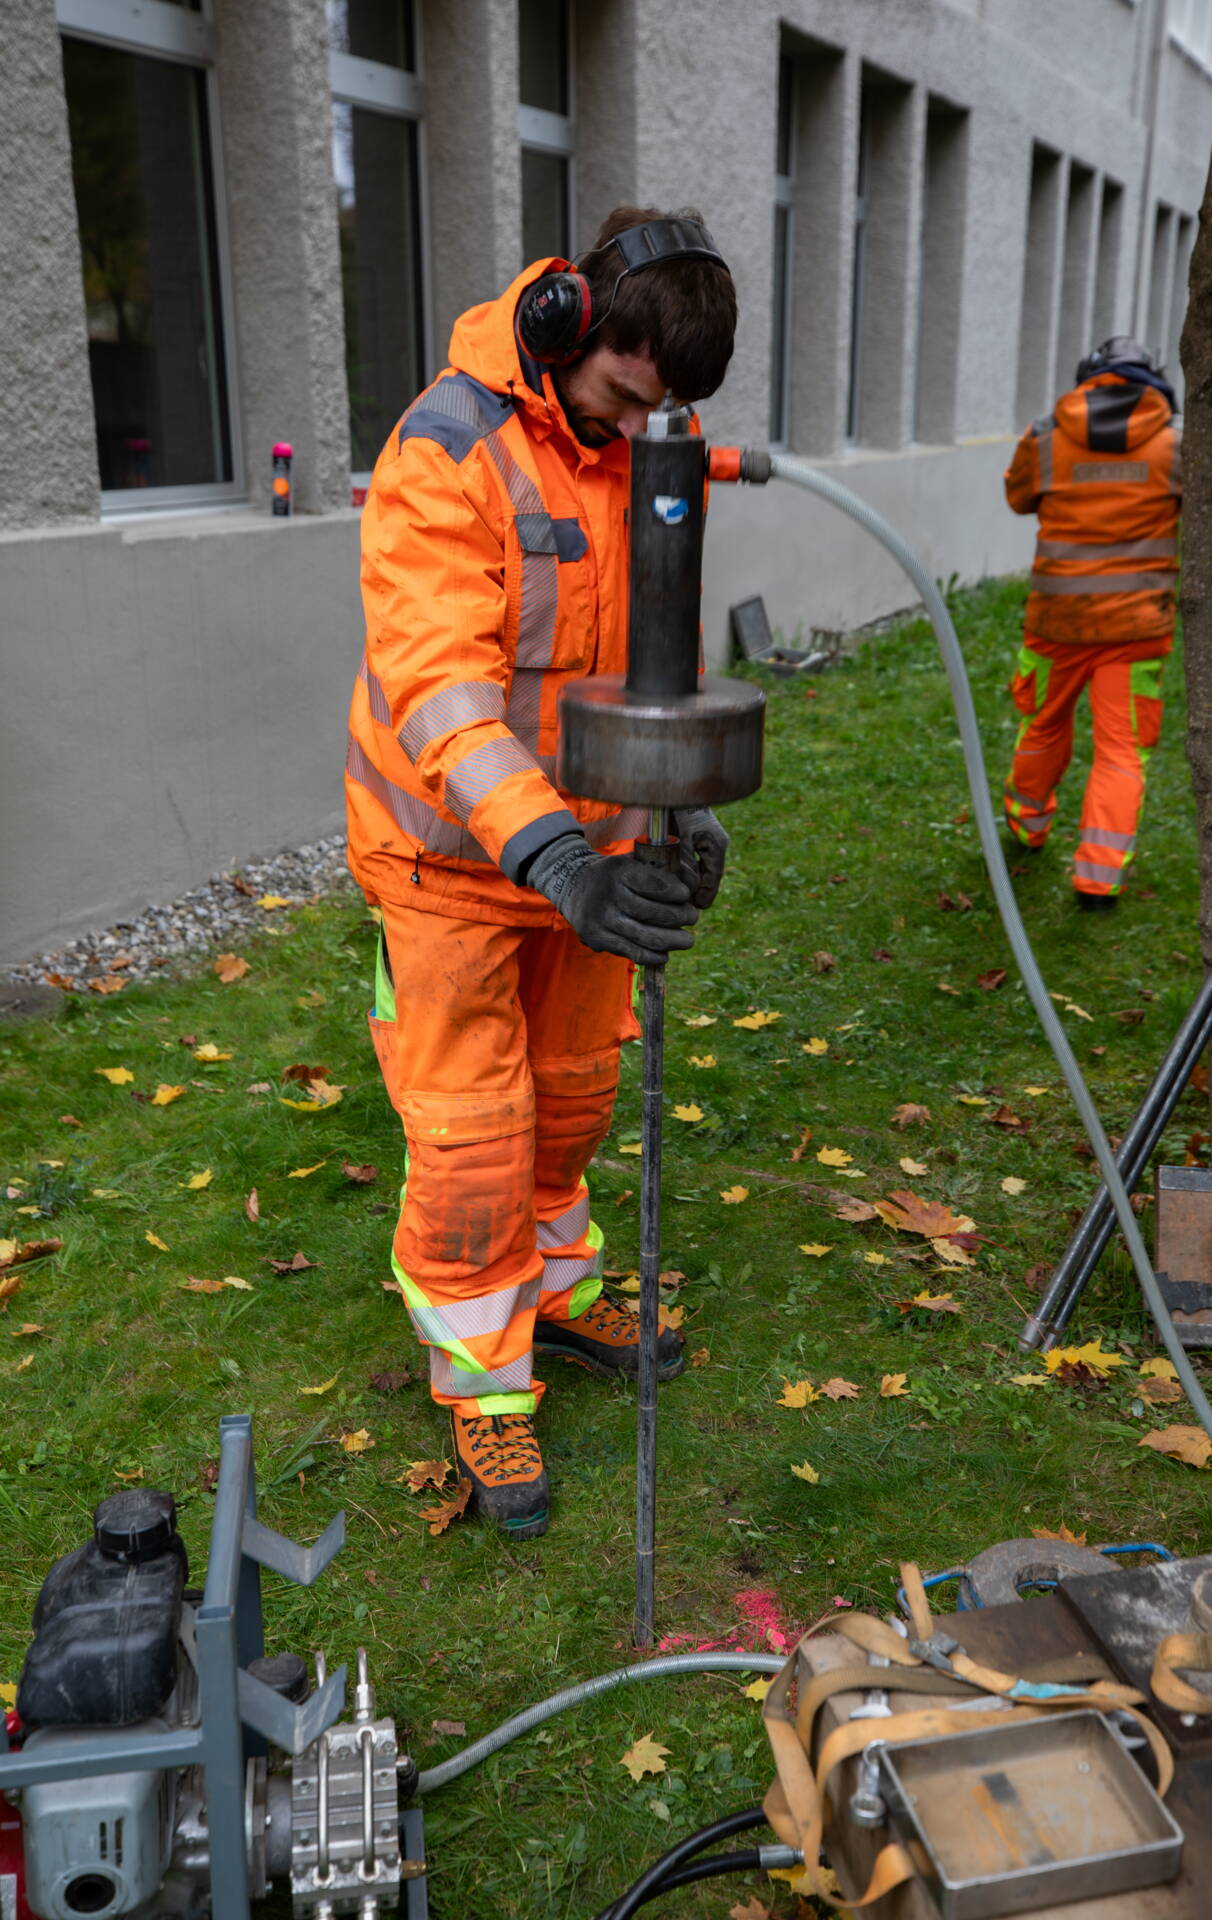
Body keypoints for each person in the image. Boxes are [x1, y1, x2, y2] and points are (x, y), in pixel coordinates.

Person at [344, 207, 738, 1538]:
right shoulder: (447, 451)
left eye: (666, 404)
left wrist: (671, 814)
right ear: (574, 321)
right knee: (469, 1133)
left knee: (570, 1096)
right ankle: (484, 1383)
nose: (645, 420)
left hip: (587, 853)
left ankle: (557, 1291)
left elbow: (632, 664)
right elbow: (442, 687)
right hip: (451, 858)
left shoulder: (632, 458)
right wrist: (555, 853)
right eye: (630, 389)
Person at [1002, 335, 1182, 910]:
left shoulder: (1046, 435)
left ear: (1088, 378)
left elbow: (1017, 497)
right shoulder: (1180, 444)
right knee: (1122, 750)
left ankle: (1026, 826)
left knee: (1045, 724)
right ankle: (1098, 878)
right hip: (1136, 628)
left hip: (1059, 621)